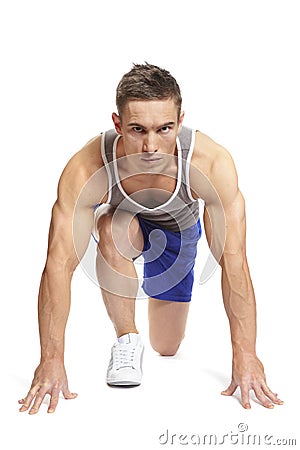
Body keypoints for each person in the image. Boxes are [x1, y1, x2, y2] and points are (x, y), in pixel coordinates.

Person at [18, 63, 283, 414]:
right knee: (112, 228)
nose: (151, 146)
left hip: (179, 233)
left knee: (167, 346)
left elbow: (234, 260)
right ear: (117, 125)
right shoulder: (86, 168)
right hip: (125, 227)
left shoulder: (210, 163)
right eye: (137, 129)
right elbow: (58, 263)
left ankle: (157, 330)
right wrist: (51, 359)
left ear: (180, 120)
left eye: (164, 129)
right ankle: (126, 340)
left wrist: (246, 355)